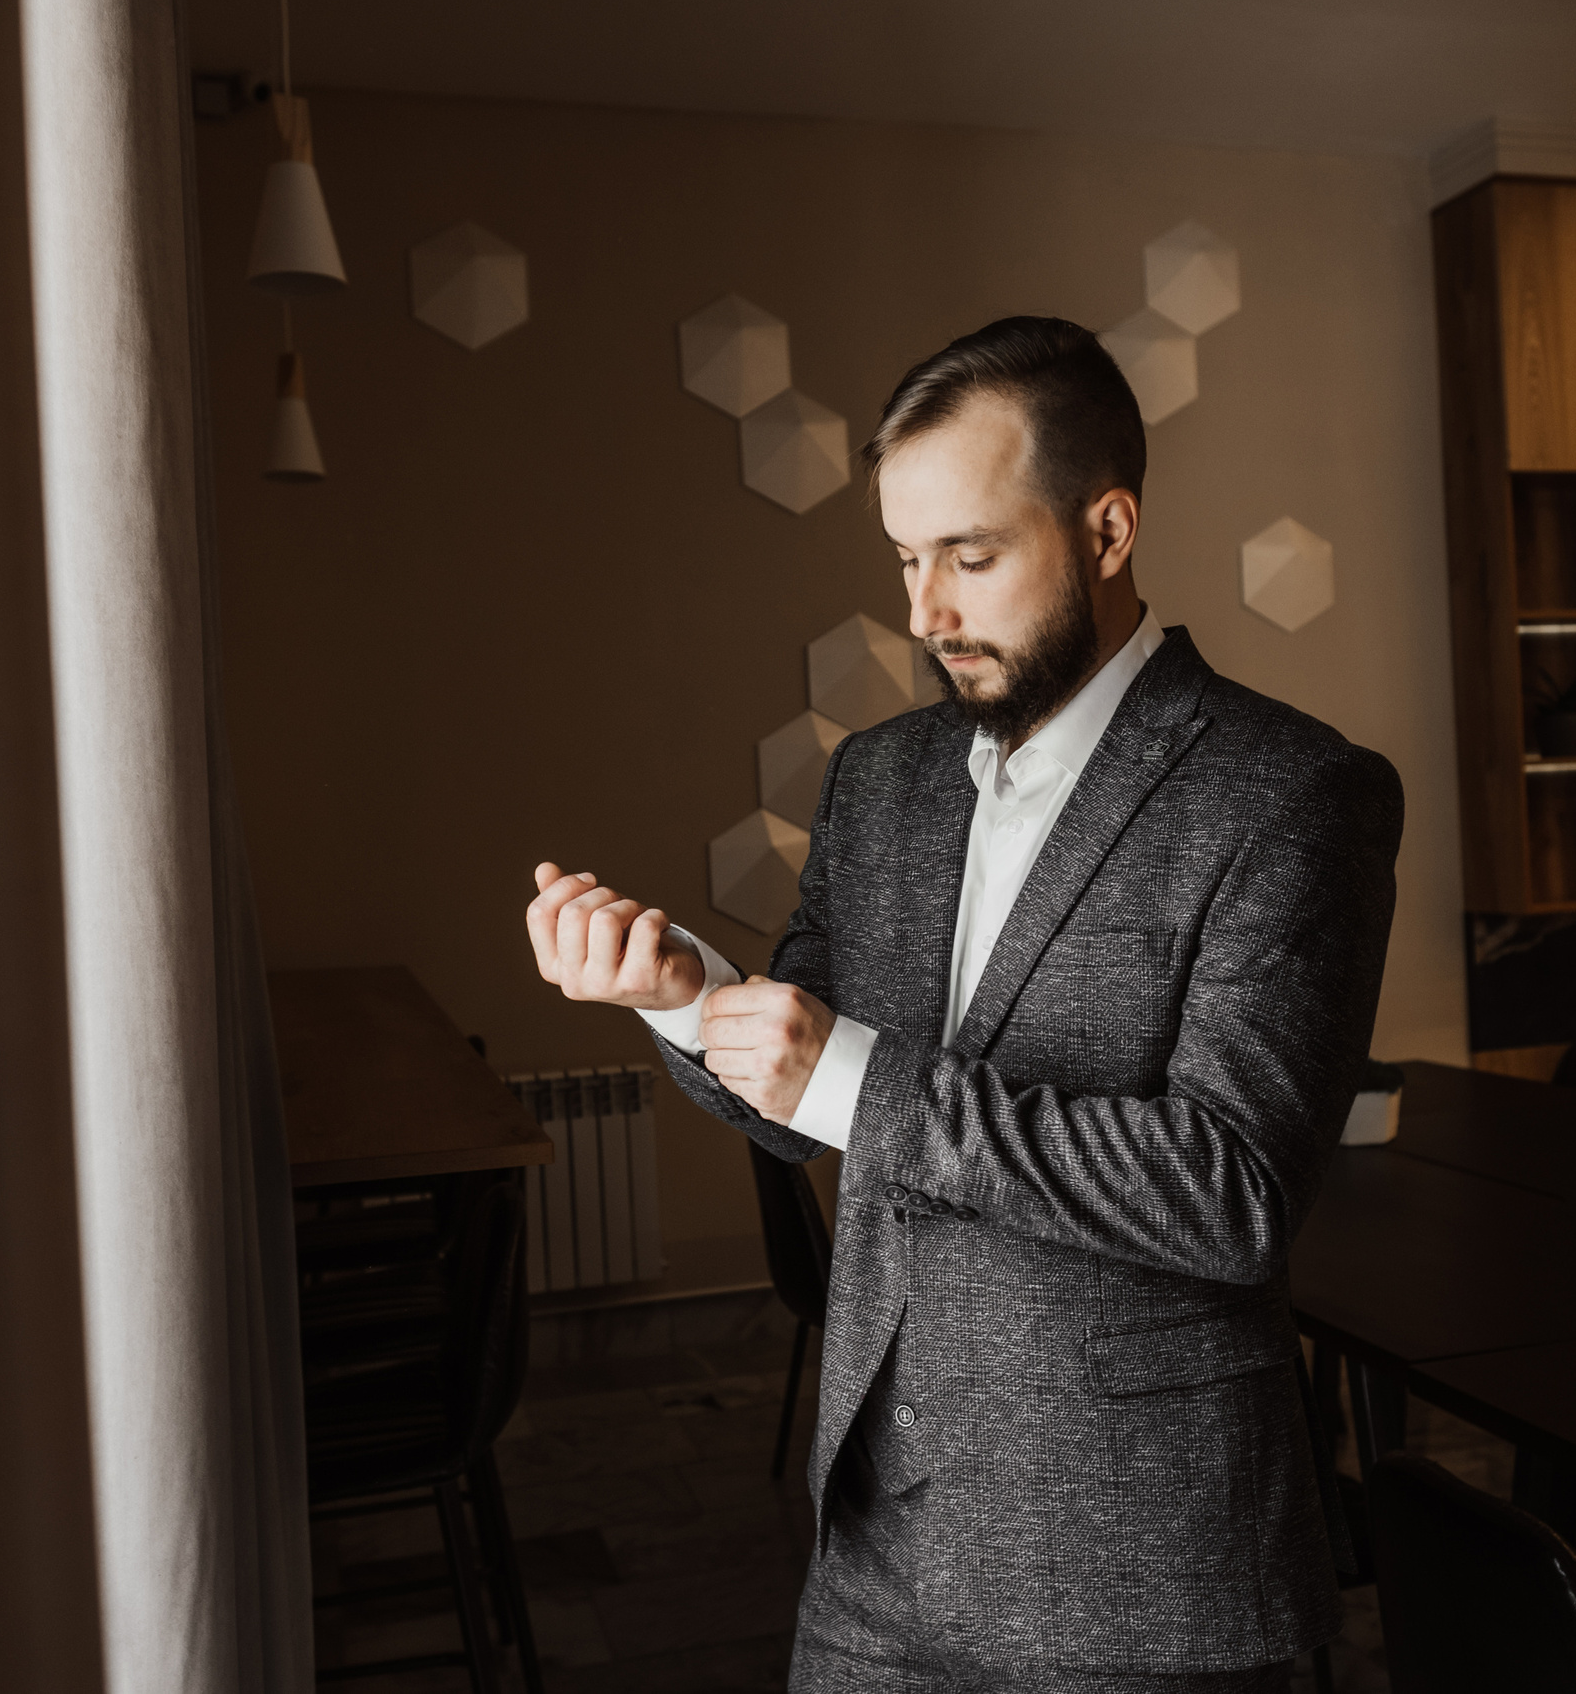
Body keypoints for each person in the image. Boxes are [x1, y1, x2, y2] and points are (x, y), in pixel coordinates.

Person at [522, 315, 1402, 1691]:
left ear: (1107, 531)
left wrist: (854, 1079)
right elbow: (811, 1099)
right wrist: (686, 998)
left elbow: (1230, 1193)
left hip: (1140, 1576)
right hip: (874, 1544)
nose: (925, 612)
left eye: (973, 558)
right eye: (906, 559)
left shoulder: (1290, 794)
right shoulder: (880, 777)